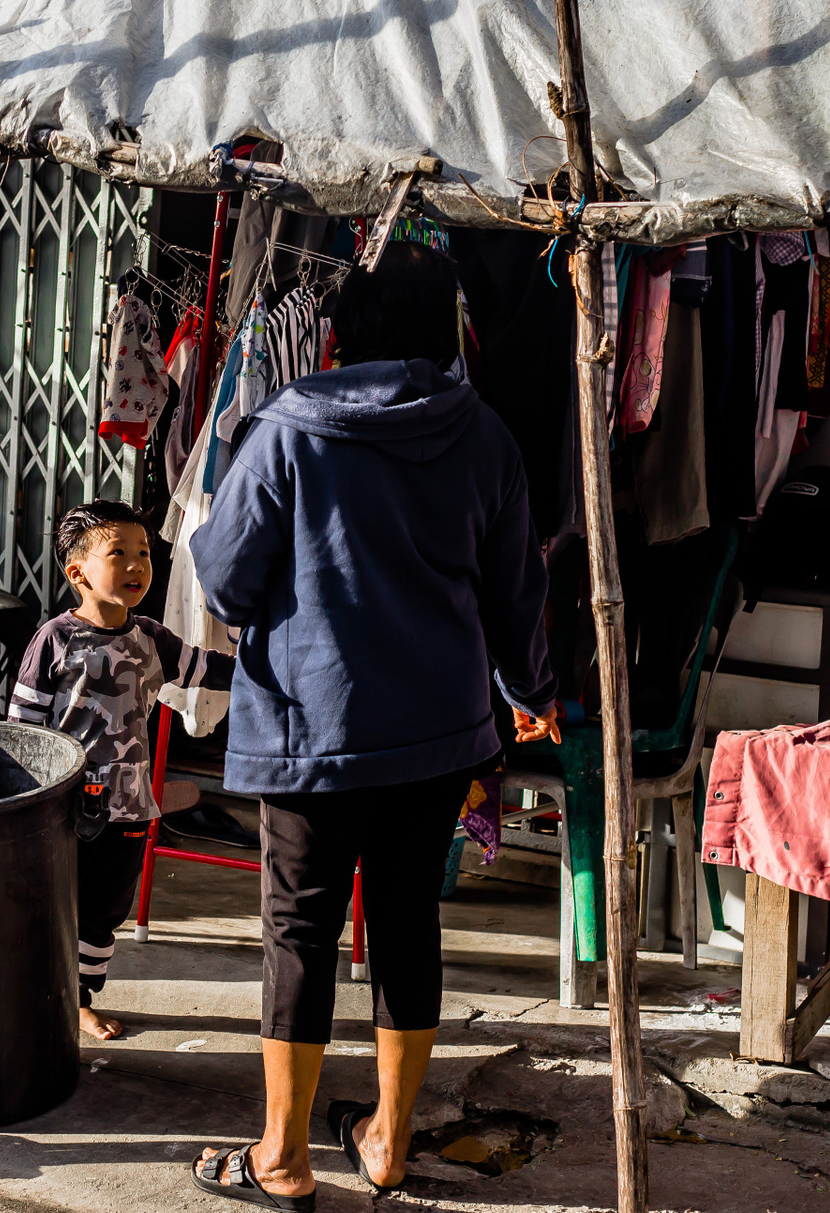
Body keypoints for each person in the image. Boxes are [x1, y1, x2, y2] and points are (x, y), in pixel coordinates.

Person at [186, 242, 562, 1208]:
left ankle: (282, 1156)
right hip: (438, 729)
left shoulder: (284, 429)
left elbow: (225, 581)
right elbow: (518, 591)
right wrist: (532, 688)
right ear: (448, 332)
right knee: (406, 921)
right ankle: (387, 1139)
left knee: (300, 929)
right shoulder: (485, 436)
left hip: (310, 730)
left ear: (342, 330)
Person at [7, 500, 234, 1041]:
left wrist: (279, 667)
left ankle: (79, 999)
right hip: (61, 811)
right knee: (53, 905)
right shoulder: (55, 639)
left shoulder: (152, 638)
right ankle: (41, 993)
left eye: (144, 553)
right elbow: (20, 730)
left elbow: (209, 668)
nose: (137, 565)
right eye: (119, 553)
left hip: (129, 807)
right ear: (77, 573)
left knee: (105, 910)